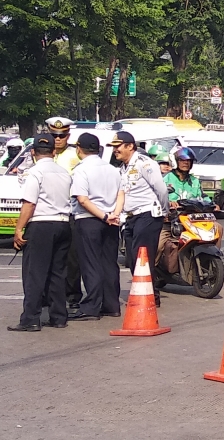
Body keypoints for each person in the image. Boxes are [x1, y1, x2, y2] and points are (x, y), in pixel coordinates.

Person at [8, 134, 73, 332]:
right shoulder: (64, 173)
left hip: (41, 224)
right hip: (63, 223)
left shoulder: (34, 173)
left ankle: (30, 318)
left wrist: (19, 228)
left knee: (34, 273)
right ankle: (58, 316)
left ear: (33, 152)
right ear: (54, 151)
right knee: (57, 273)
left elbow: (29, 203)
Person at [69, 133, 125, 321]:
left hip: (89, 219)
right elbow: (120, 194)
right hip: (111, 220)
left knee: (91, 263)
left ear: (79, 149)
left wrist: (103, 216)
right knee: (109, 263)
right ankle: (111, 304)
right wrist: (113, 215)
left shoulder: (81, 170)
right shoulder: (112, 169)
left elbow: (82, 200)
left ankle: (91, 306)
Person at [110, 131, 170, 302]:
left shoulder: (145, 164)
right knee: (131, 256)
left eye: (118, 146)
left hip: (147, 215)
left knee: (142, 256)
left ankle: (151, 296)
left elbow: (161, 189)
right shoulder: (123, 168)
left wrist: (164, 211)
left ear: (130, 146)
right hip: (130, 218)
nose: (115, 150)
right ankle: (142, 290)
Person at [47, 117, 85, 317]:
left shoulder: (74, 156)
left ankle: (72, 296)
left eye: (61, 136)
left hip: (69, 212)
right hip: (46, 213)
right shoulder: (41, 153)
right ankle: (49, 296)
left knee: (72, 259)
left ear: (68, 136)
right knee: (47, 259)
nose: (58, 139)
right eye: (54, 135)